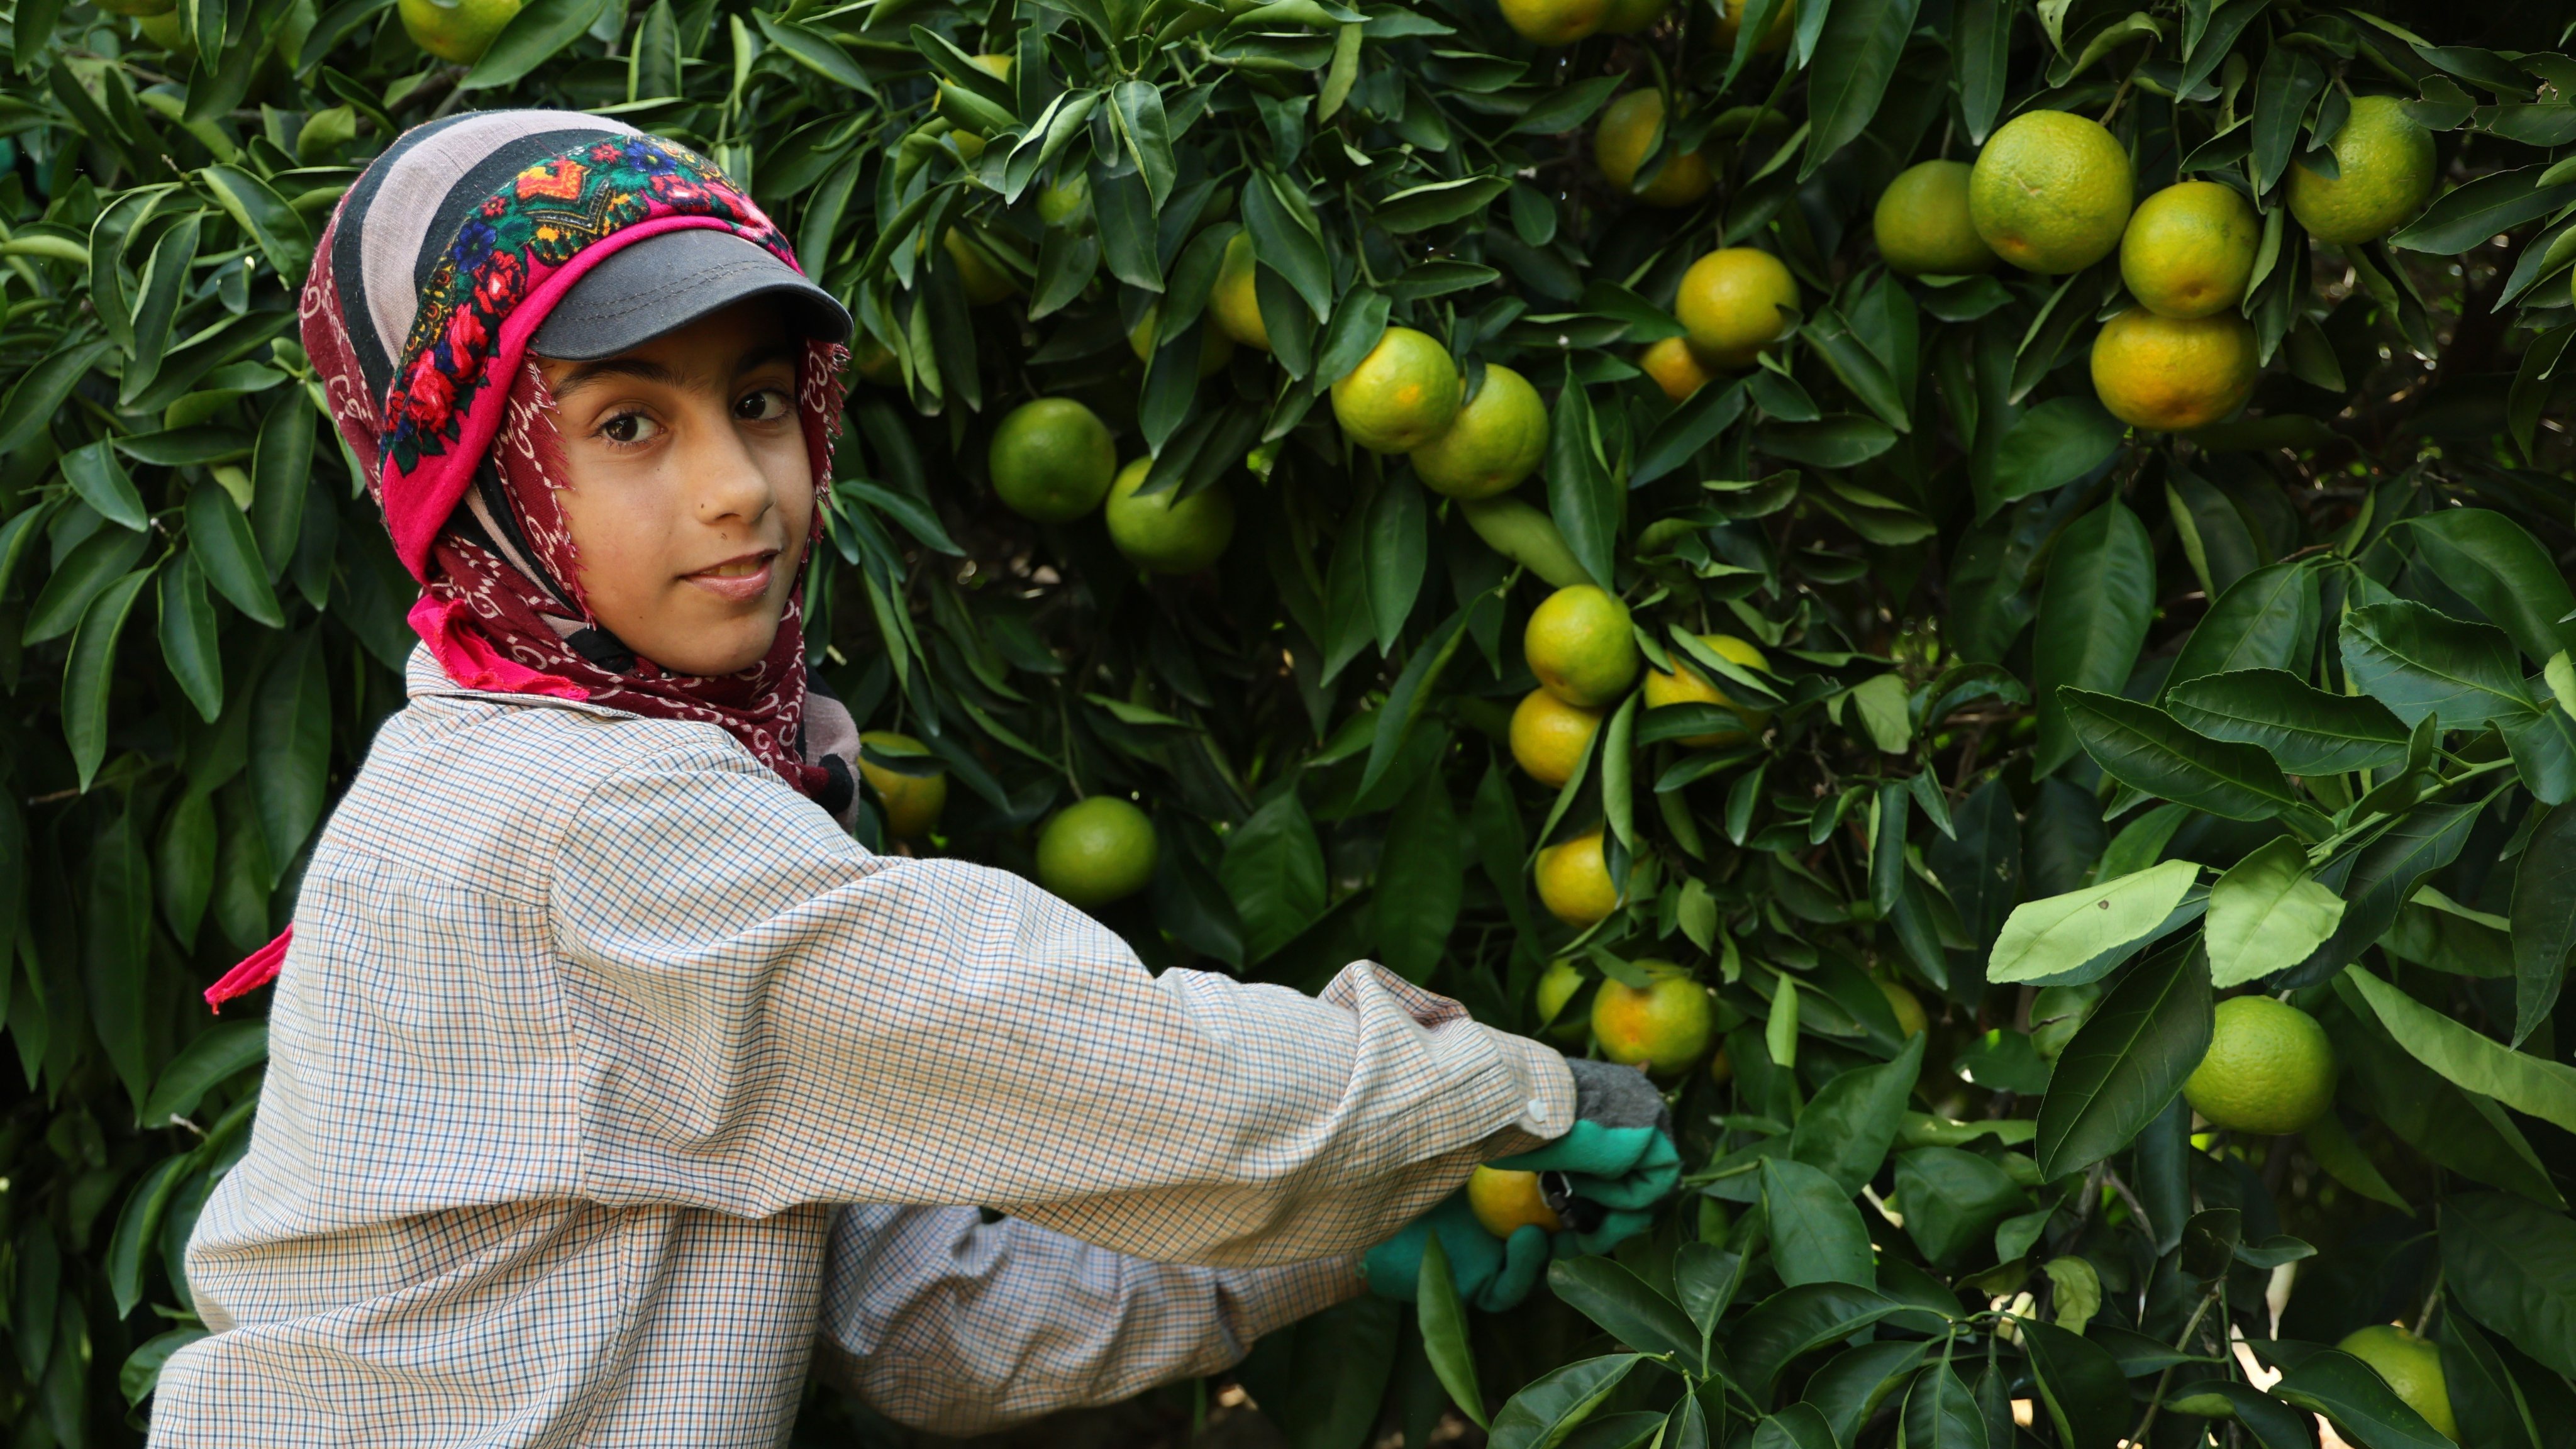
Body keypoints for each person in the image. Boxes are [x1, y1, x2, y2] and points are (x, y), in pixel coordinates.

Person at [148, 112, 1677, 1446]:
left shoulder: (589, 767)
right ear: (476, 479)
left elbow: (921, 1319)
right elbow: (1142, 1087)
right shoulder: (588, 817)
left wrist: (1341, 1247)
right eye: (627, 423)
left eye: (755, 400)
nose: (739, 484)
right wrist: (1507, 1098)